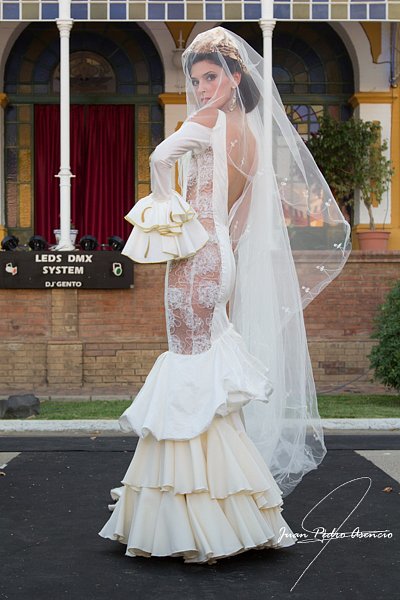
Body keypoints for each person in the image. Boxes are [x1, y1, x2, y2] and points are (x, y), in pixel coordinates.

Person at [98, 27, 351, 564]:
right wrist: (219, 253)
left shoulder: (206, 122)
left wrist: (168, 215)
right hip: (222, 259)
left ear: (236, 77)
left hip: (194, 259)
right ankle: (224, 505)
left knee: (191, 367)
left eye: (212, 76)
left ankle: (193, 512)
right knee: (207, 366)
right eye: (196, 79)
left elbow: (158, 159)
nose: (202, 87)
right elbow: (239, 218)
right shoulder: (252, 135)